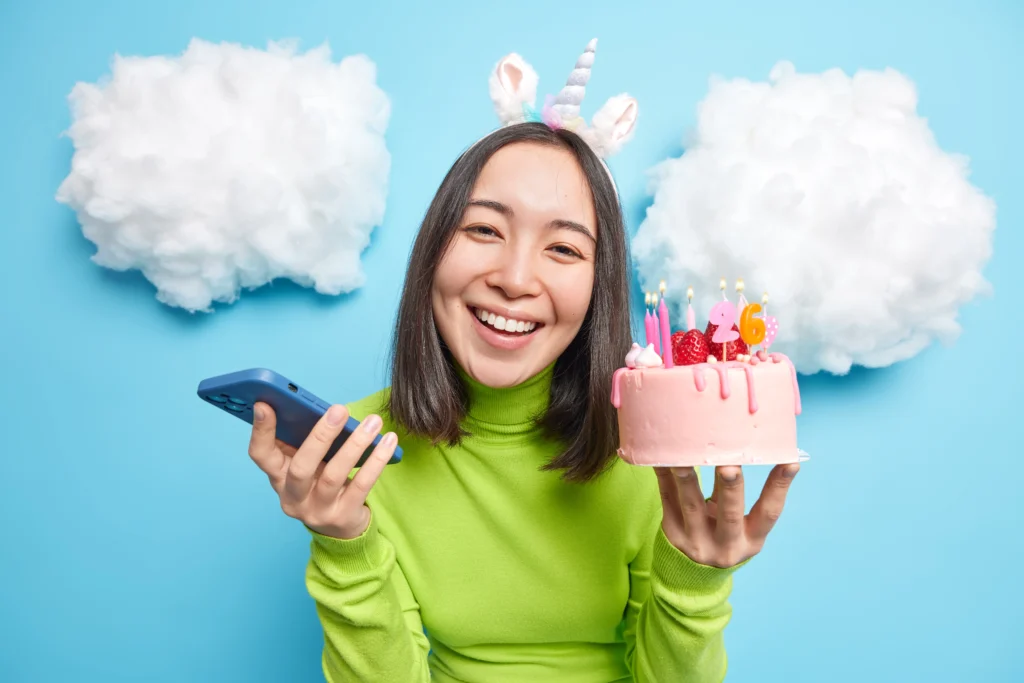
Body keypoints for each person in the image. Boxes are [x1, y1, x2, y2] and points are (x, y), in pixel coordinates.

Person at [246, 41, 798, 683]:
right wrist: (342, 544)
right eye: (484, 230)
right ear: (433, 249)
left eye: (562, 248)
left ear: (600, 285)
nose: (513, 278)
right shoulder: (362, 454)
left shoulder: (653, 446)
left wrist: (696, 583)